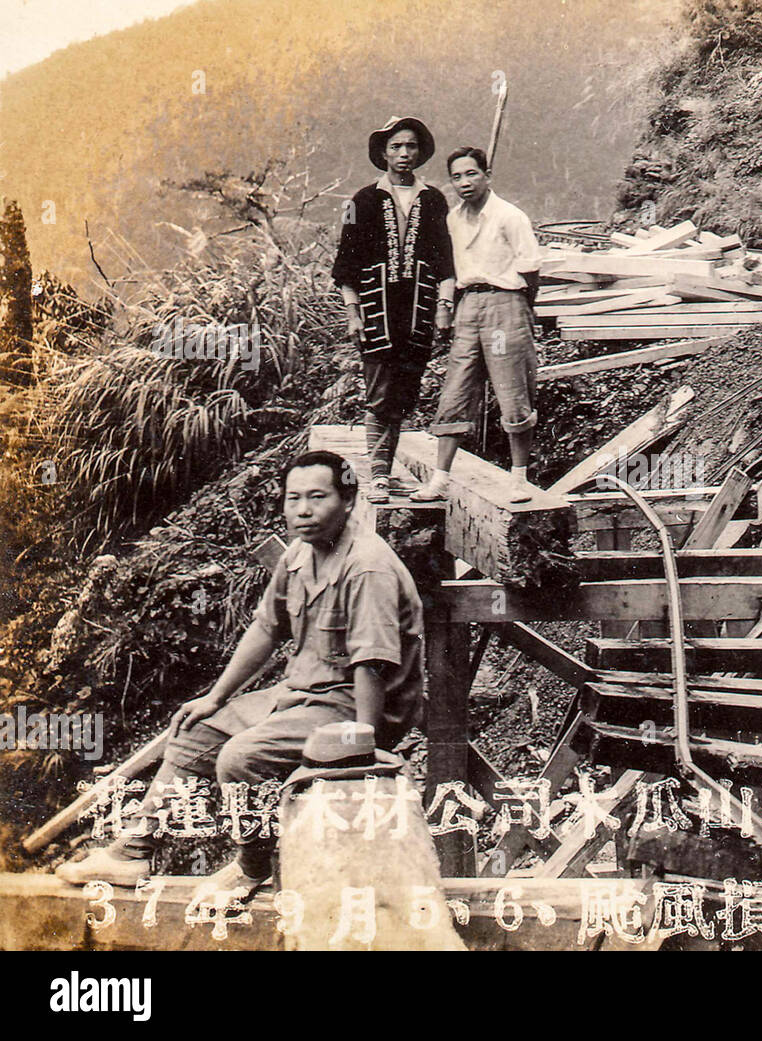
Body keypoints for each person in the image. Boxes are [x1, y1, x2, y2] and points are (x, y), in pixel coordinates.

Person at [56, 451, 426, 896]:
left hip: (356, 707)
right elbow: (267, 628)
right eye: (293, 499)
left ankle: (253, 867)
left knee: (241, 758)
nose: (303, 510)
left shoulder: (366, 566)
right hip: (302, 694)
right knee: (197, 730)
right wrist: (215, 697)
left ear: (348, 501)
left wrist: (363, 743)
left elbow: (371, 663)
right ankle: (134, 851)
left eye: (317, 497)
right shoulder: (299, 555)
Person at [332, 116, 456, 504]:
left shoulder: (433, 199)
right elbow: (347, 263)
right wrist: (353, 312)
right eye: (396, 147)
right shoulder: (364, 200)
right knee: (379, 393)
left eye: (411, 147)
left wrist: (445, 305)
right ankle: (379, 475)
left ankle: (384, 467)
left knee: (403, 393)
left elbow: (444, 259)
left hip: (417, 312)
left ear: (420, 152)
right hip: (376, 310)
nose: (404, 154)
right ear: (383, 153)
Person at [411, 146, 542, 505]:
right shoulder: (453, 220)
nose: (464, 182)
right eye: (456, 176)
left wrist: (517, 311)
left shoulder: (509, 216)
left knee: (512, 389)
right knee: (456, 387)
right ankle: (440, 479)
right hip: (467, 308)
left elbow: (530, 270)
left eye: (472, 174)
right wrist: (447, 308)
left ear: (487, 175)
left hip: (504, 307)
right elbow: (449, 271)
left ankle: (518, 480)